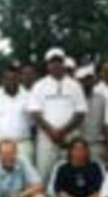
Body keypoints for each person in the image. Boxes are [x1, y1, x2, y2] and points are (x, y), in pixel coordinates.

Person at [28, 48, 87, 182]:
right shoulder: (39, 86)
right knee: (44, 174)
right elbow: (35, 112)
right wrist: (52, 132)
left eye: (59, 62)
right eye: (52, 62)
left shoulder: (75, 86)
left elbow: (81, 112)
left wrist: (62, 131)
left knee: (71, 173)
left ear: (64, 64)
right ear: (47, 65)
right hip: (47, 138)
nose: (56, 65)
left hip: (69, 138)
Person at [0, 62, 34, 162]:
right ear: (3, 80)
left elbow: (33, 124)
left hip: (22, 145)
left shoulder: (29, 96)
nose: (11, 81)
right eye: (7, 79)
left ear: (19, 79)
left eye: (14, 78)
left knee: (24, 176)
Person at [76, 64, 108, 165]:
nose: (86, 83)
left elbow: (106, 124)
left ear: (93, 80)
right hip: (78, 146)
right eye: (83, 80)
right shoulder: (73, 99)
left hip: (97, 145)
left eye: (89, 79)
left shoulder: (102, 99)